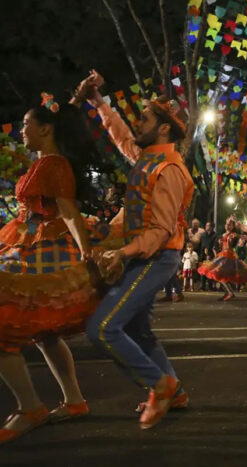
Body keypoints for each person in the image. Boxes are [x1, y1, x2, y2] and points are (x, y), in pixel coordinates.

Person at [78, 71, 194, 429]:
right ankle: (174, 392)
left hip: (156, 257)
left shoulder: (170, 170)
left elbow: (160, 232)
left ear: (163, 129)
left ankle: (159, 385)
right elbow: (122, 137)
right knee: (140, 334)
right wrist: (99, 102)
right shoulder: (147, 158)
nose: (137, 123)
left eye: (144, 118)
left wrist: (122, 253)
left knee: (103, 329)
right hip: (143, 254)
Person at [0, 100, 106, 443]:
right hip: (29, 243)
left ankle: (30, 407)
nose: (21, 131)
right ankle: (74, 401)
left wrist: (87, 252)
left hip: (43, 251)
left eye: (26, 124)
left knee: (5, 327)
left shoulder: (54, 164)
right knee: (44, 333)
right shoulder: (45, 162)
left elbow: (69, 211)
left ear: (45, 130)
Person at [198, 216, 247, 300]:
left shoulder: (232, 235)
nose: (227, 226)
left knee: (219, 274)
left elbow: (230, 247)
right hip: (222, 255)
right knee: (221, 275)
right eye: (226, 224)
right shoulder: (223, 234)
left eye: (230, 225)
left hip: (228, 256)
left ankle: (230, 292)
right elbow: (221, 245)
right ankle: (228, 292)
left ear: (233, 226)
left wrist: (229, 241)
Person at [199, 221, 217, 291]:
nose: (207, 227)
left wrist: (209, 254)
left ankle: (210, 286)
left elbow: (214, 246)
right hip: (203, 255)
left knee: (210, 271)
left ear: (212, 227)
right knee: (203, 271)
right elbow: (201, 245)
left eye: (209, 226)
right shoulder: (203, 235)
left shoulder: (215, 235)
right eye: (206, 225)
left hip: (211, 255)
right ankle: (202, 286)